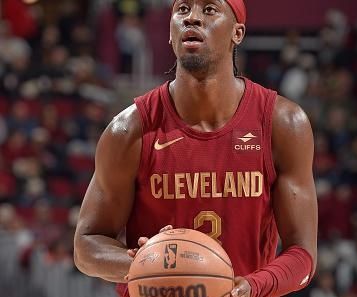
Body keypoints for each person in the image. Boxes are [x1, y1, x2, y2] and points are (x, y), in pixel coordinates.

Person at [73, 1, 318, 297]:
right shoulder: (129, 130)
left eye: (210, 10)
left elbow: (303, 256)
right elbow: (86, 245)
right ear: (170, 33)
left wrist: (251, 287)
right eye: (183, 9)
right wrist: (144, 263)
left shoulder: (283, 124)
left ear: (237, 33)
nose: (192, 18)